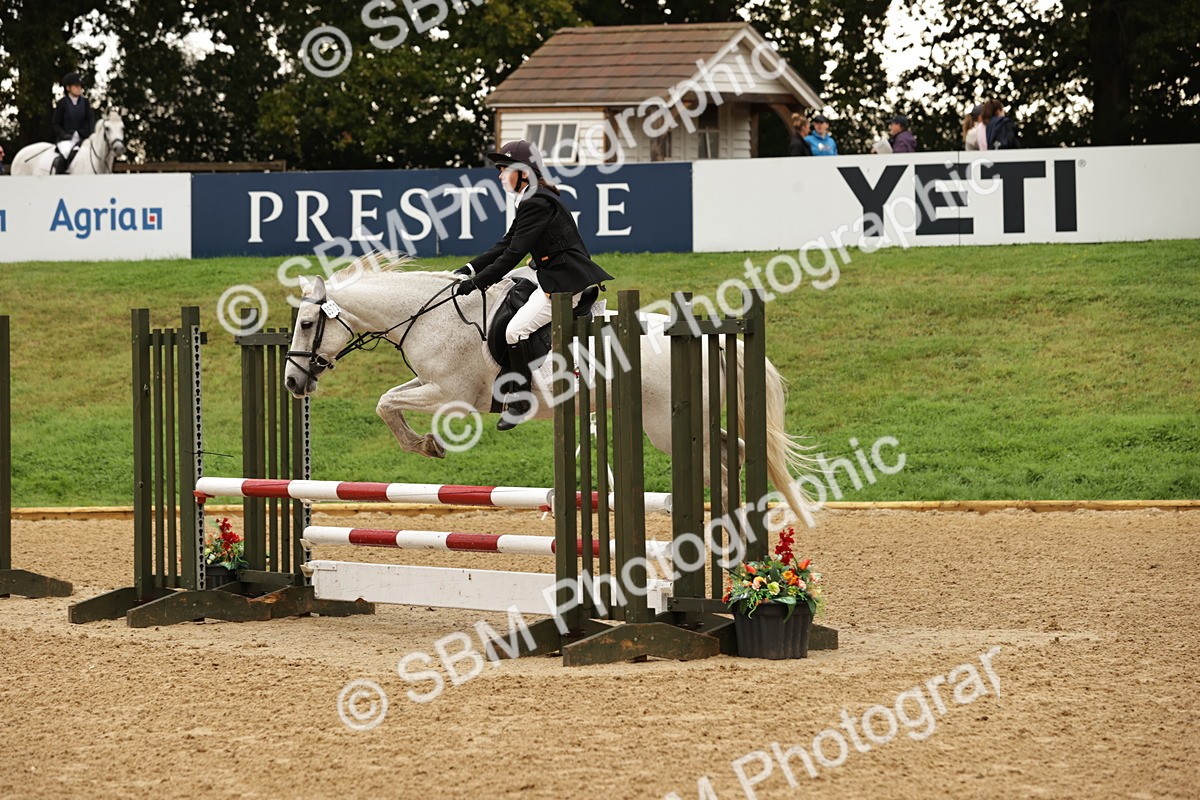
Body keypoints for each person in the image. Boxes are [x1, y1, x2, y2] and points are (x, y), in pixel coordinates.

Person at [453, 140, 614, 430]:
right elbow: (504, 244)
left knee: (515, 331)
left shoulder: (536, 202)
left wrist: (477, 284)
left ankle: (520, 399)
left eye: (504, 170)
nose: (500, 176)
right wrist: (467, 269)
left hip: (565, 282)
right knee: (507, 283)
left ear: (523, 172)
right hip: (551, 271)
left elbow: (513, 253)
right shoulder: (533, 198)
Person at [50, 72, 96, 175]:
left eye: (80, 86)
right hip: (66, 139)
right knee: (66, 153)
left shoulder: (85, 103)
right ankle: (60, 174)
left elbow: (91, 119)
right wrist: (64, 135)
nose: (79, 88)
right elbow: (55, 123)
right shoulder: (62, 103)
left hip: (82, 138)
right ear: (68, 88)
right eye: (76, 86)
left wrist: (92, 134)